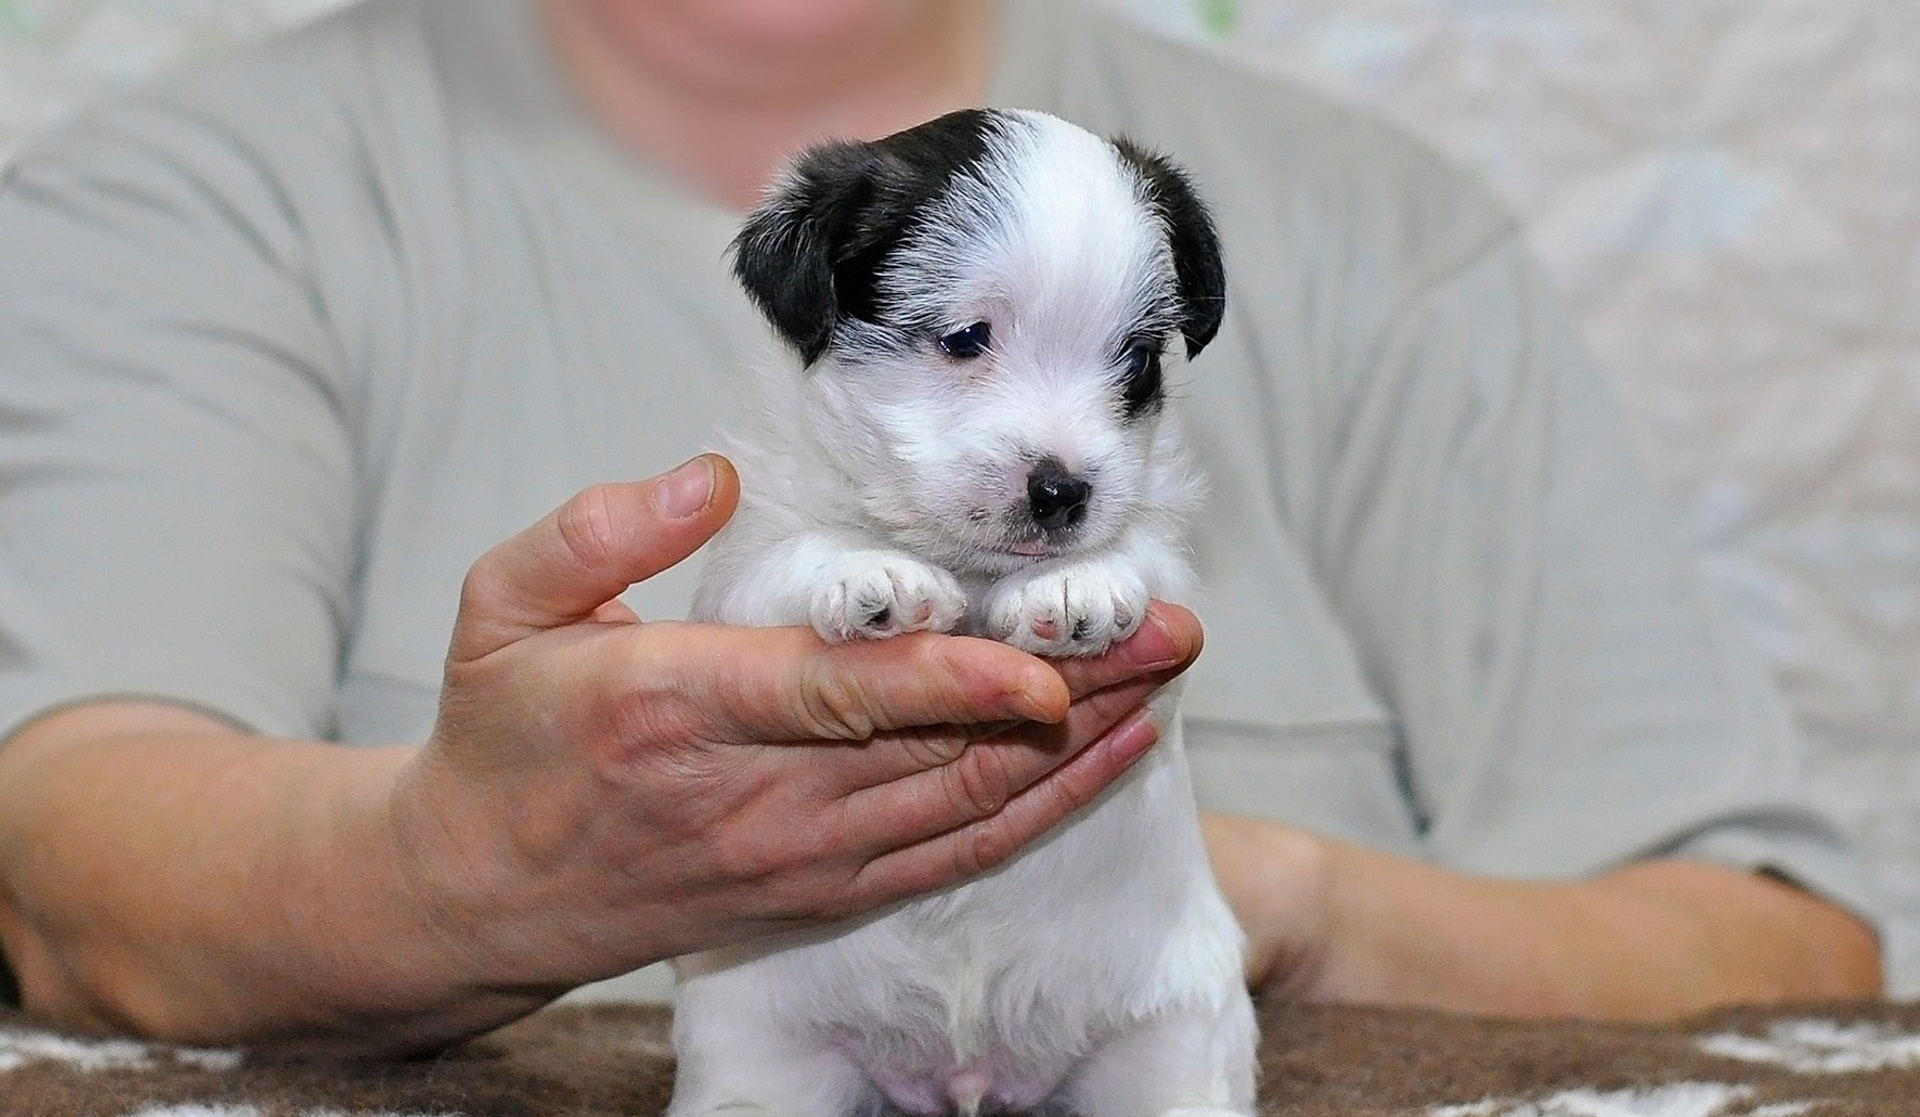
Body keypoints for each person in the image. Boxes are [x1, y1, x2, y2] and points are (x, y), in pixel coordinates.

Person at [0, 0, 1880, 1056]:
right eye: (961, 343)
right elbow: (67, 863)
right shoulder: (191, 202)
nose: (1054, 448)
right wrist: (462, 867)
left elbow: (1784, 958)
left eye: (1122, 372)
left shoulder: (1376, 231)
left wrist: (1255, 906)